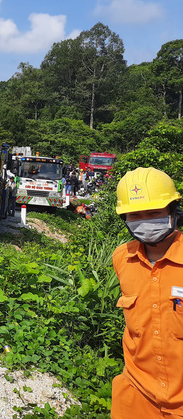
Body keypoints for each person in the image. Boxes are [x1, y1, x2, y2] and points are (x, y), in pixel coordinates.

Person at [111, 167, 183, 418]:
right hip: (135, 395)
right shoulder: (122, 259)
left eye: (153, 213)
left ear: (173, 212)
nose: (144, 221)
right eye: (135, 215)